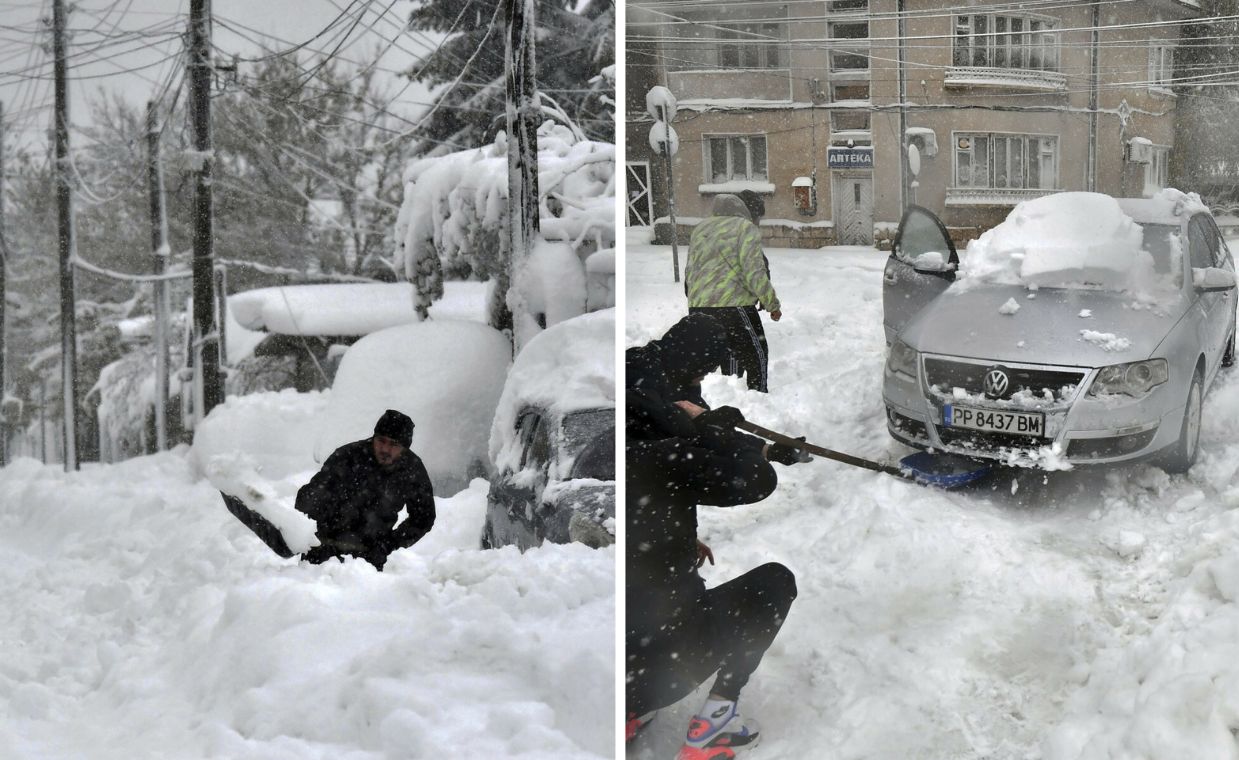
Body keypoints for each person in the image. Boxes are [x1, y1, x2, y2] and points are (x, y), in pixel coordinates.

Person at [626, 316, 805, 760]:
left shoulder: (637, 404)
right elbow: (754, 480)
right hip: (658, 670)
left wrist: (764, 446)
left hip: (614, 671)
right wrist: (730, 441)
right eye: (700, 372)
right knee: (776, 582)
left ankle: (627, 717)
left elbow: (685, 436)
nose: (700, 382)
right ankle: (715, 725)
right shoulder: (664, 454)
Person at [294, 409, 435, 571]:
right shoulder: (347, 457)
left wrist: (389, 544)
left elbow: (423, 518)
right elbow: (307, 501)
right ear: (374, 437)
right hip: (323, 551)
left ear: (404, 448)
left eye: (394, 444)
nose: (386, 450)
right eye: (381, 441)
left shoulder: (412, 470)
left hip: (370, 559)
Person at [684, 192, 781, 393]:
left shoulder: (700, 229)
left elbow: (690, 270)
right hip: (734, 305)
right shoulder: (745, 228)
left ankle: (730, 395)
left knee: (729, 353)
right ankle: (759, 397)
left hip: (699, 306)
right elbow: (754, 271)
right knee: (757, 354)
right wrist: (772, 304)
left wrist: (697, 300)